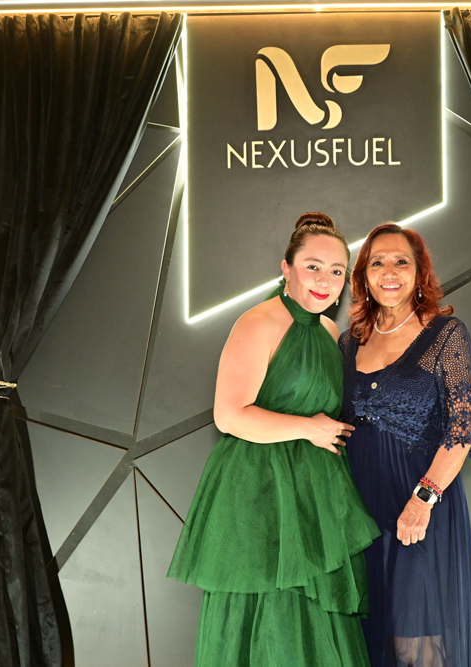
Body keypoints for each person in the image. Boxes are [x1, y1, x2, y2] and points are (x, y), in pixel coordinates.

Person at [168, 212, 380, 667]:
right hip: (259, 491)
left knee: (314, 617)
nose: (324, 281)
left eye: (336, 271)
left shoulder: (329, 331)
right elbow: (228, 415)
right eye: (312, 266)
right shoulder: (258, 322)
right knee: (267, 610)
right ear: (286, 268)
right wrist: (308, 427)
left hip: (314, 494)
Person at [339, 223, 471, 667]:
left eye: (401, 261)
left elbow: (465, 425)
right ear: (363, 275)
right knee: (371, 640)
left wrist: (423, 500)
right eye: (377, 262)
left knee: (416, 644)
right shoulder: (349, 342)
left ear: (419, 272)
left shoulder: (444, 334)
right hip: (360, 510)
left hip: (418, 506)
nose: (389, 271)